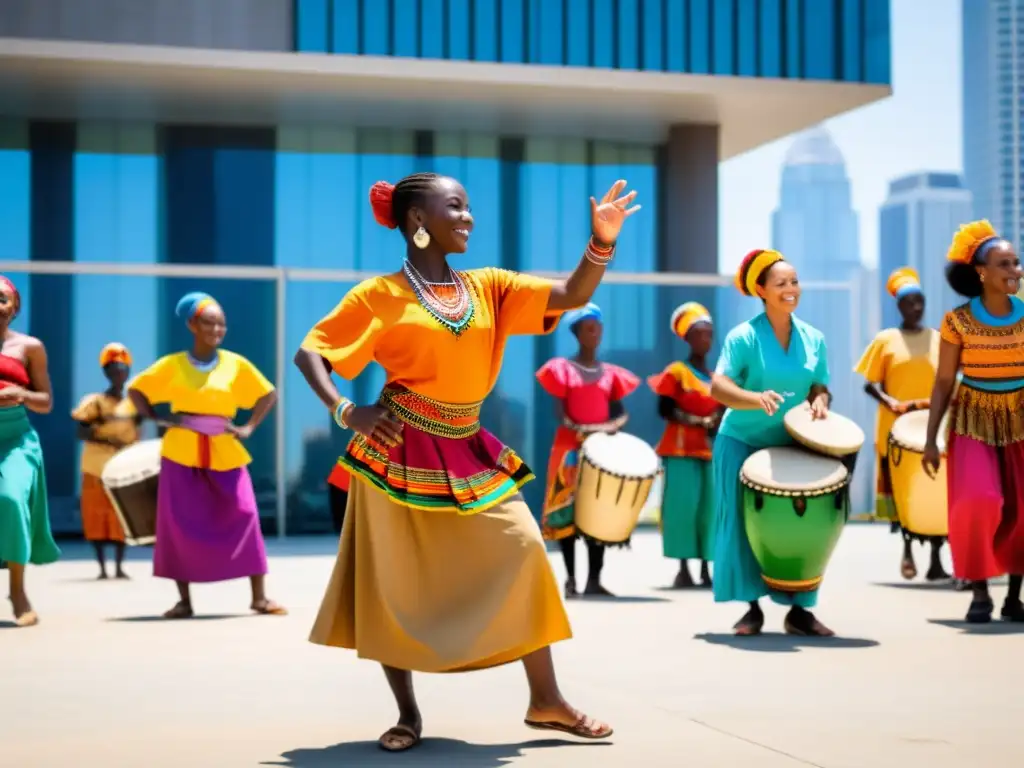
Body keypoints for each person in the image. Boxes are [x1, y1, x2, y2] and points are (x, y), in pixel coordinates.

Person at [294, 172, 639, 752]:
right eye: (454, 206)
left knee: (525, 547)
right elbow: (312, 353)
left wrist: (601, 240)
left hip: (469, 445)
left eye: (470, 207)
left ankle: (546, 700)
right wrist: (344, 410)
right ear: (416, 221)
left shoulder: (491, 287)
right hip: (396, 449)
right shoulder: (378, 295)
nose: (468, 217)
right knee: (392, 584)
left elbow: (573, 294)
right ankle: (407, 714)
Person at [127, 292, 286, 619]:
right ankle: (184, 601)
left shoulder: (235, 363)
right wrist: (154, 418)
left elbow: (268, 393)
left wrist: (249, 428)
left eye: (221, 323)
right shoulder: (172, 365)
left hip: (225, 449)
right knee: (178, 524)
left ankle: (259, 598)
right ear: (192, 325)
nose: (217, 329)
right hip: (181, 451)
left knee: (246, 515)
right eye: (209, 322)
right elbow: (137, 389)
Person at [708, 249, 835, 637]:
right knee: (744, 529)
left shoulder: (814, 338)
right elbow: (719, 386)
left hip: (792, 445)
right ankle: (751, 610)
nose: (790, 289)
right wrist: (755, 398)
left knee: (802, 529)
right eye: (781, 284)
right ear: (761, 290)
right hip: (741, 442)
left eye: (794, 281)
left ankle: (800, 612)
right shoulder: (743, 337)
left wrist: (819, 400)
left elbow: (819, 385)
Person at [923, 220, 1024, 623]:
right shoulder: (957, 321)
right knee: (977, 500)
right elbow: (944, 380)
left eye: (1017, 263)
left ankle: (1014, 596)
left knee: (1021, 508)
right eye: (1004, 264)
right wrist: (930, 439)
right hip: (971, 420)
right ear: (981, 272)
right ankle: (979, 588)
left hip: (1019, 417)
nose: (1015, 270)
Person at [855, 269, 955, 584]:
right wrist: (890, 402)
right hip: (895, 428)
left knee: (936, 490)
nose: (916, 307)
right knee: (904, 493)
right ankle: (908, 549)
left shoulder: (939, 339)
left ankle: (938, 558)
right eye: (909, 302)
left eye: (920, 301)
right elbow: (870, 383)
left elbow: (949, 380)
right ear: (899, 306)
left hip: (934, 427)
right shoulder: (886, 340)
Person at [536, 302, 639, 598]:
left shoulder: (611, 375)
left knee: (599, 510)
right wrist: (591, 429)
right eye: (588, 328)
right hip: (569, 450)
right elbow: (562, 414)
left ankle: (595, 579)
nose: (595, 333)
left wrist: (611, 426)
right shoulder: (563, 370)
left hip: (601, 452)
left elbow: (620, 413)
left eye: (598, 327)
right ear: (577, 333)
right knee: (567, 513)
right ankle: (570, 580)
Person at [648, 302, 721, 589]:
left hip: (708, 452)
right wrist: (696, 420)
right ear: (688, 338)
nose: (705, 339)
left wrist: (715, 420)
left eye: (709, 334)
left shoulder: (717, 379)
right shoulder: (677, 372)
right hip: (679, 451)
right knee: (682, 508)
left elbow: (724, 411)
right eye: (699, 334)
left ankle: (706, 568)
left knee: (710, 509)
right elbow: (665, 408)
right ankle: (683, 568)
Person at [0, 276, 60, 627]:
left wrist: (20, 395)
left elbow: (46, 401)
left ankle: (18, 591)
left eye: (2, 298)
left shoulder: (29, 347)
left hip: (16, 436)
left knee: (10, 500)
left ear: (15, 307)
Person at [72, 343, 140, 580]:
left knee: (121, 518)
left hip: (122, 470)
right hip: (95, 468)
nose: (118, 373)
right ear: (106, 373)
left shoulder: (133, 404)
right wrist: (110, 439)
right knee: (95, 516)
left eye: (122, 369)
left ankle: (120, 567)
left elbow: (136, 432)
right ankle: (102, 568)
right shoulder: (93, 402)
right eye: (113, 369)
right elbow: (80, 432)